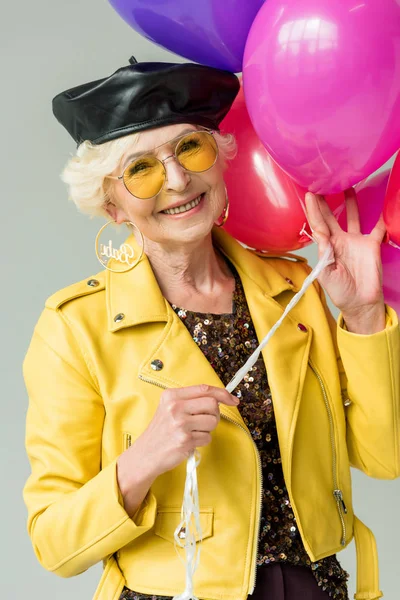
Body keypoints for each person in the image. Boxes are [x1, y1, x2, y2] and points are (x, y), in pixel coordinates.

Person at [22, 58, 400, 600]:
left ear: (222, 160)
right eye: (141, 169)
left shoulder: (300, 291)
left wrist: (363, 316)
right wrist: (144, 459)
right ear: (112, 203)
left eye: (190, 149)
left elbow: (385, 460)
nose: (177, 180)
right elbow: (54, 544)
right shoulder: (74, 328)